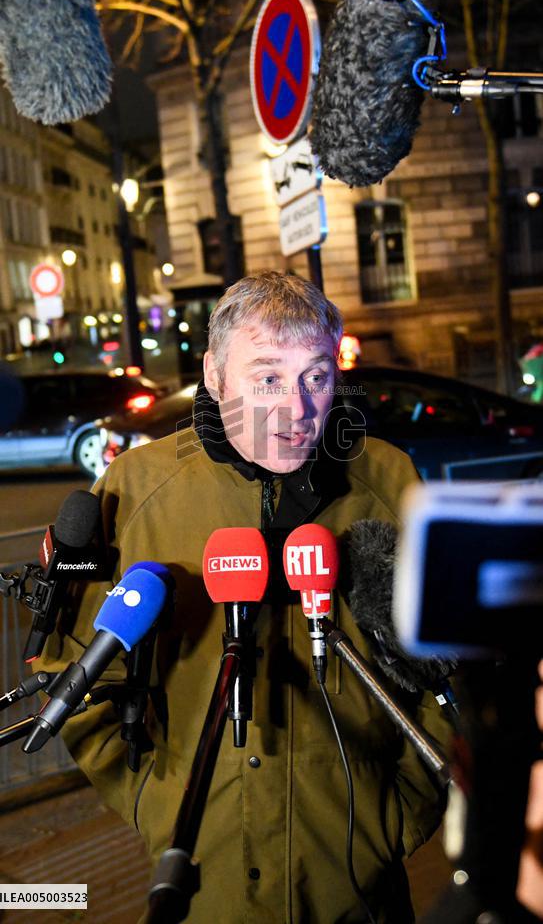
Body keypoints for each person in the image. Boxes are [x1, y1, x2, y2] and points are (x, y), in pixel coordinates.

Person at [37, 272, 453, 923]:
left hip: (357, 882)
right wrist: (156, 804)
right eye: (266, 378)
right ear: (214, 375)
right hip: (202, 880)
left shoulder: (388, 480)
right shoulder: (135, 487)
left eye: (315, 377)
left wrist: (394, 814)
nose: (297, 407)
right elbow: (78, 675)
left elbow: (447, 673)